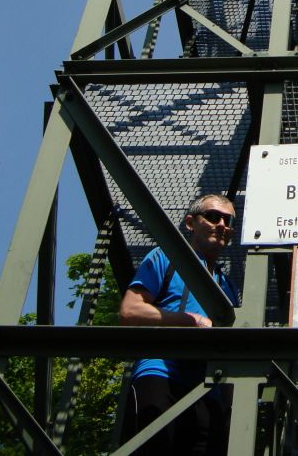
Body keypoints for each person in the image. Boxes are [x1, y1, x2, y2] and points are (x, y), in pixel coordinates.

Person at [119, 194, 240, 455]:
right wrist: (189, 321)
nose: (221, 224)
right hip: (161, 374)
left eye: (227, 220)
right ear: (190, 223)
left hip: (209, 390)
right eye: (212, 216)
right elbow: (130, 310)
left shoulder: (229, 287)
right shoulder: (165, 258)